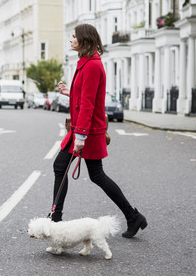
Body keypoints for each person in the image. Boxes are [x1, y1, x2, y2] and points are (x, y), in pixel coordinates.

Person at [52, 23, 148, 238]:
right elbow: (86, 96)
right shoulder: (85, 63)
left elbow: (88, 104)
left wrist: (80, 136)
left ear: (84, 40)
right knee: (63, 167)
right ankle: (56, 218)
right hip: (82, 129)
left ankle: (132, 216)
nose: (71, 39)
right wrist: (70, 92)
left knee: (96, 175)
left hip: (87, 130)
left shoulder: (93, 65)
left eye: (74, 36)